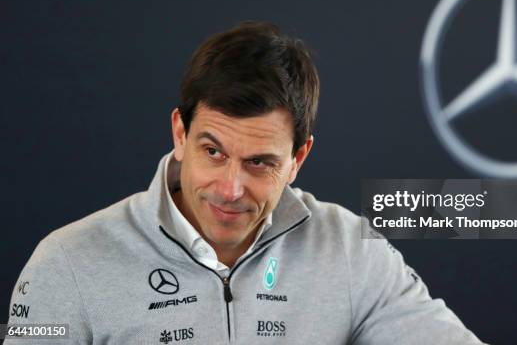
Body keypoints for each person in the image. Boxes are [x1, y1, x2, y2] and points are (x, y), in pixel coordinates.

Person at [5, 22, 486, 344]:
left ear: (298, 158)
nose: (230, 188)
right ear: (179, 133)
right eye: (213, 152)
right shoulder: (67, 262)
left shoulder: (349, 250)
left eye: (259, 163)